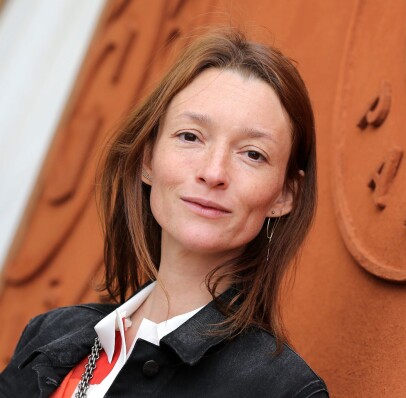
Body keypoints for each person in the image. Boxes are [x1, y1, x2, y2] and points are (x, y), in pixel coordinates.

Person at [0, 28, 327, 397]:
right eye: (190, 136)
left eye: (252, 153)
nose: (214, 172)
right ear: (148, 159)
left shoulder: (282, 389)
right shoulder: (50, 334)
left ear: (284, 195)